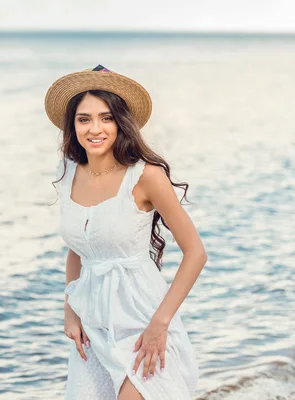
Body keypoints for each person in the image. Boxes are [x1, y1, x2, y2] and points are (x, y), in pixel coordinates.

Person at [45, 65, 207, 400]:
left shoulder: (145, 177)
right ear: (72, 125)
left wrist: (159, 325)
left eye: (106, 118)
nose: (95, 128)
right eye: (84, 119)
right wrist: (70, 311)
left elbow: (196, 253)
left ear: (121, 122)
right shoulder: (69, 173)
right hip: (92, 324)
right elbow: (78, 249)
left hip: (141, 319)